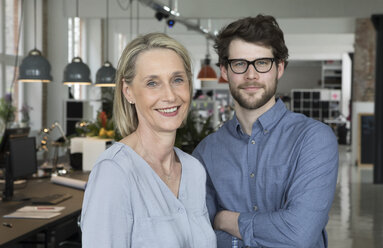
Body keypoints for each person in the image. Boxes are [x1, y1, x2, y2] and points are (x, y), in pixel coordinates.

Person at [192, 15, 339, 248]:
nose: (251, 75)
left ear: (279, 68)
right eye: (239, 63)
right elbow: (201, 237)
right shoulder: (205, 153)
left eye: (262, 63)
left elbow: (299, 234)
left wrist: (225, 219)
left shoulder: (313, 139)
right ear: (224, 71)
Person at [81, 33, 216, 247]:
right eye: (153, 83)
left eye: (177, 80)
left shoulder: (193, 170)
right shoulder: (115, 172)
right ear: (128, 92)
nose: (170, 96)